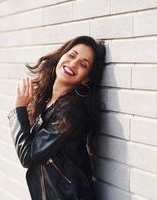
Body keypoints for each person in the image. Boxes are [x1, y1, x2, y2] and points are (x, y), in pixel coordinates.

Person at [7, 35, 106, 200]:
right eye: (72, 55)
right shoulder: (49, 102)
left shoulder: (72, 112)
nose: (73, 64)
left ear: (86, 79)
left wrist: (19, 108)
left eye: (83, 64)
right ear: (62, 55)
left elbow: (29, 157)